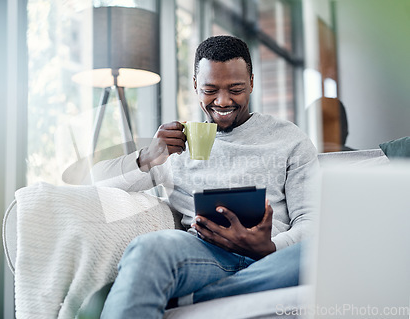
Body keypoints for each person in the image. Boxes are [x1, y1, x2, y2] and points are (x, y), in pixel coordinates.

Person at [92, 35, 319, 318]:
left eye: (235, 89)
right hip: (205, 255)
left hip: (273, 257)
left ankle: (194, 297)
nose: (223, 101)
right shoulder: (177, 145)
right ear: (196, 86)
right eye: (211, 89)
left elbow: (311, 222)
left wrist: (270, 247)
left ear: (251, 82)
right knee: (148, 249)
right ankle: (204, 289)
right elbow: (97, 182)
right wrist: (149, 156)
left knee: (323, 252)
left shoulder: (289, 139)